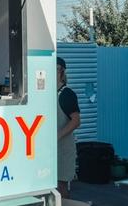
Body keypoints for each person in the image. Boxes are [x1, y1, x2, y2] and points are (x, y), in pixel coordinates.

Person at [56, 56, 80, 199]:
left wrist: (58, 135)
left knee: (61, 186)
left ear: (62, 72)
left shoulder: (66, 94)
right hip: (49, 149)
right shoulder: (45, 93)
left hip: (63, 149)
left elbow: (76, 121)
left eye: (56, 69)